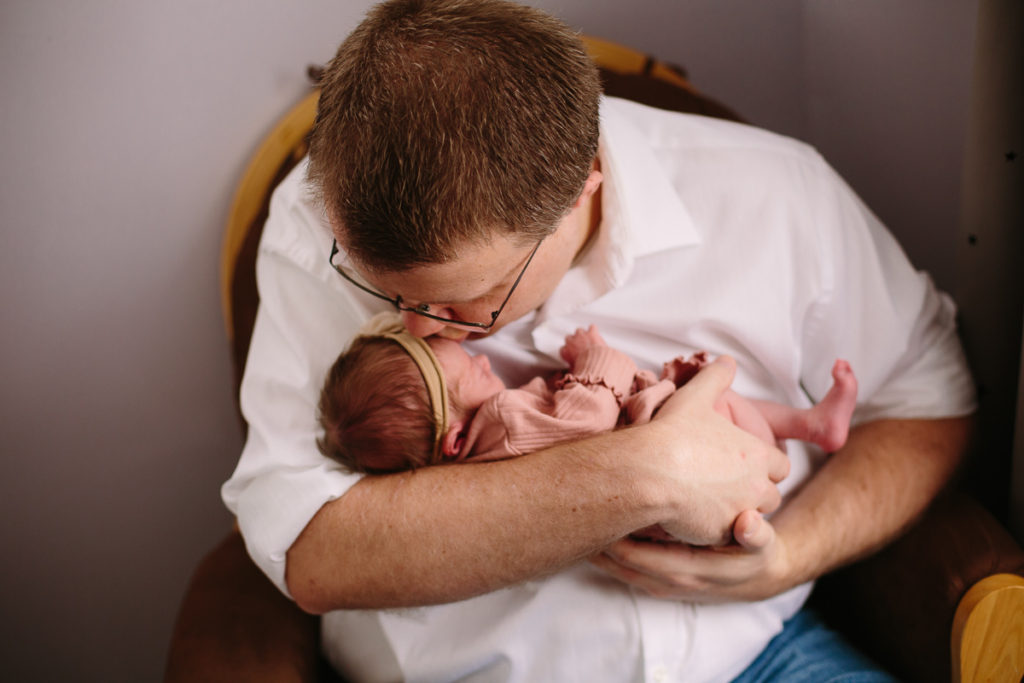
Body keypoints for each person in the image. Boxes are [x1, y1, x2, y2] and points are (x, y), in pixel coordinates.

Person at [222, 0, 976, 680]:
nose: (416, 330)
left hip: (761, 655)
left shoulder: (775, 194)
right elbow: (309, 544)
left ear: (586, 185)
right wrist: (648, 472)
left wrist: (785, 560)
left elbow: (927, 394)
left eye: (465, 299)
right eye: (384, 287)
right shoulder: (307, 222)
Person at [316, 316, 858, 480]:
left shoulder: (483, 450)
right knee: (711, 397)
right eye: (473, 373)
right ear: (454, 439)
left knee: (712, 399)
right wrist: (592, 357)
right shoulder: (503, 423)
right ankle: (808, 425)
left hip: (713, 468)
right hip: (695, 451)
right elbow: (589, 419)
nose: (485, 360)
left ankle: (812, 426)